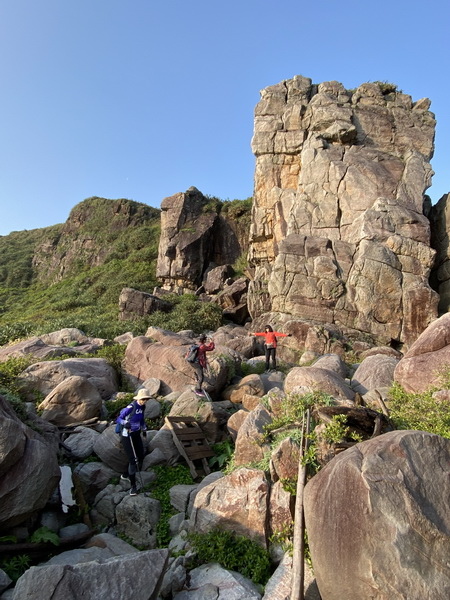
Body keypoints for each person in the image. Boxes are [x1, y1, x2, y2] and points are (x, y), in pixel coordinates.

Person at [116, 389, 151, 496]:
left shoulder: (142, 407)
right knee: (133, 460)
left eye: (146, 399)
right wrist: (125, 423)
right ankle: (133, 487)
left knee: (140, 454)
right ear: (138, 398)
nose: (144, 401)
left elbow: (141, 420)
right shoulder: (131, 407)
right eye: (142, 399)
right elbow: (119, 418)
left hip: (136, 433)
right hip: (127, 435)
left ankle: (125, 474)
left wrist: (144, 429)